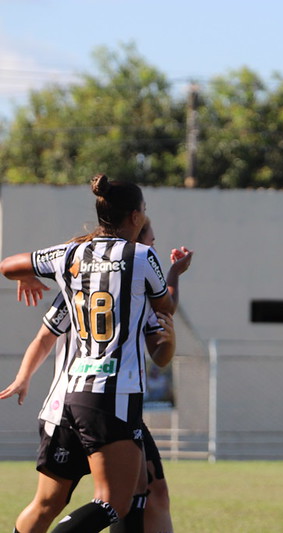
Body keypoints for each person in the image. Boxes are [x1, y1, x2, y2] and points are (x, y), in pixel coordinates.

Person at [0, 175, 188, 533]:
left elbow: (8, 265)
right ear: (135, 218)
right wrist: (175, 275)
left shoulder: (70, 254)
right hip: (112, 393)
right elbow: (167, 307)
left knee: (132, 494)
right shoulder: (141, 258)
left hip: (70, 394)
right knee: (114, 501)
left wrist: (25, 275)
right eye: (145, 216)